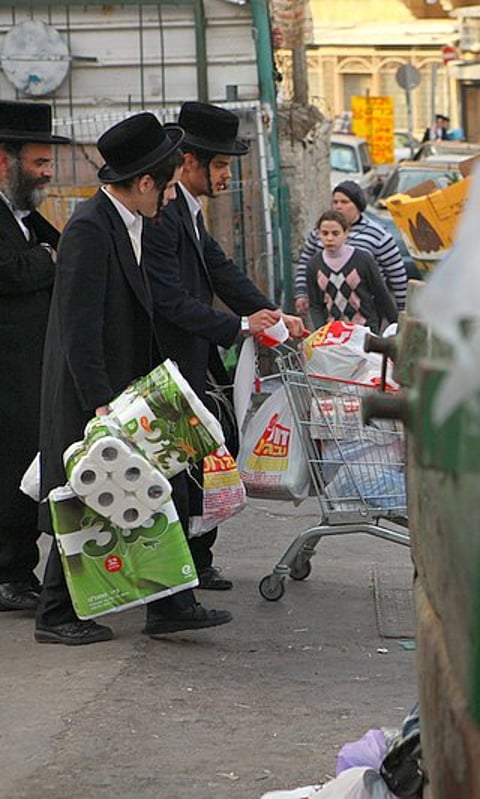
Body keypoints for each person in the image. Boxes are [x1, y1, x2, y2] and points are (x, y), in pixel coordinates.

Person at [35, 112, 232, 645]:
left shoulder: (130, 222)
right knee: (81, 497)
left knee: (152, 488)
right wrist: (99, 403)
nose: (169, 200)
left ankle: (171, 603)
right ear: (145, 183)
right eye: (165, 188)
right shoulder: (89, 230)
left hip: (127, 385)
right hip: (91, 390)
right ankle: (55, 613)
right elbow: (78, 329)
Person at [142, 101, 305, 592]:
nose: (225, 177)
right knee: (185, 465)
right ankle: (180, 571)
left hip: (196, 356)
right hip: (168, 358)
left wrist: (273, 315)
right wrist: (239, 324)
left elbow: (222, 271)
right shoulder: (165, 215)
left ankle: (197, 558)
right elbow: (167, 298)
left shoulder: (190, 214)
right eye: (217, 166)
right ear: (187, 161)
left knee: (207, 457)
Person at [0, 101, 68, 612]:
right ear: (5, 160)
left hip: (27, 369)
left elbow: (53, 250)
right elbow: (12, 272)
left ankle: (16, 569)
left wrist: (42, 256)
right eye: (39, 163)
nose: (48, 173)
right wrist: (43, 260)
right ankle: (8, 575)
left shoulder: (22, 215)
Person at [293, 181, 406, 317]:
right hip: (327, 308)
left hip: (365, 309)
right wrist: (301, 293)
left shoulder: (378, 235)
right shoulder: (320, 232)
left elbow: (396, 274)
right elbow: (305, 263)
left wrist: (401, 312)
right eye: (335, 202)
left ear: (358, 205)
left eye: (344, 202)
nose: (338, 206)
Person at [306, 209, 398, 333]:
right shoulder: (314, 265)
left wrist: (396, 326)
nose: (329, 238)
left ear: (346, 233)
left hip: (364, 330)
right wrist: (322, 331)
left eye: (335, 233)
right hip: (333, 333)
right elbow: (315, 305)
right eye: (325, 233)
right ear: (318, 234)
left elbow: (381, 294)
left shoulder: (363, 260)